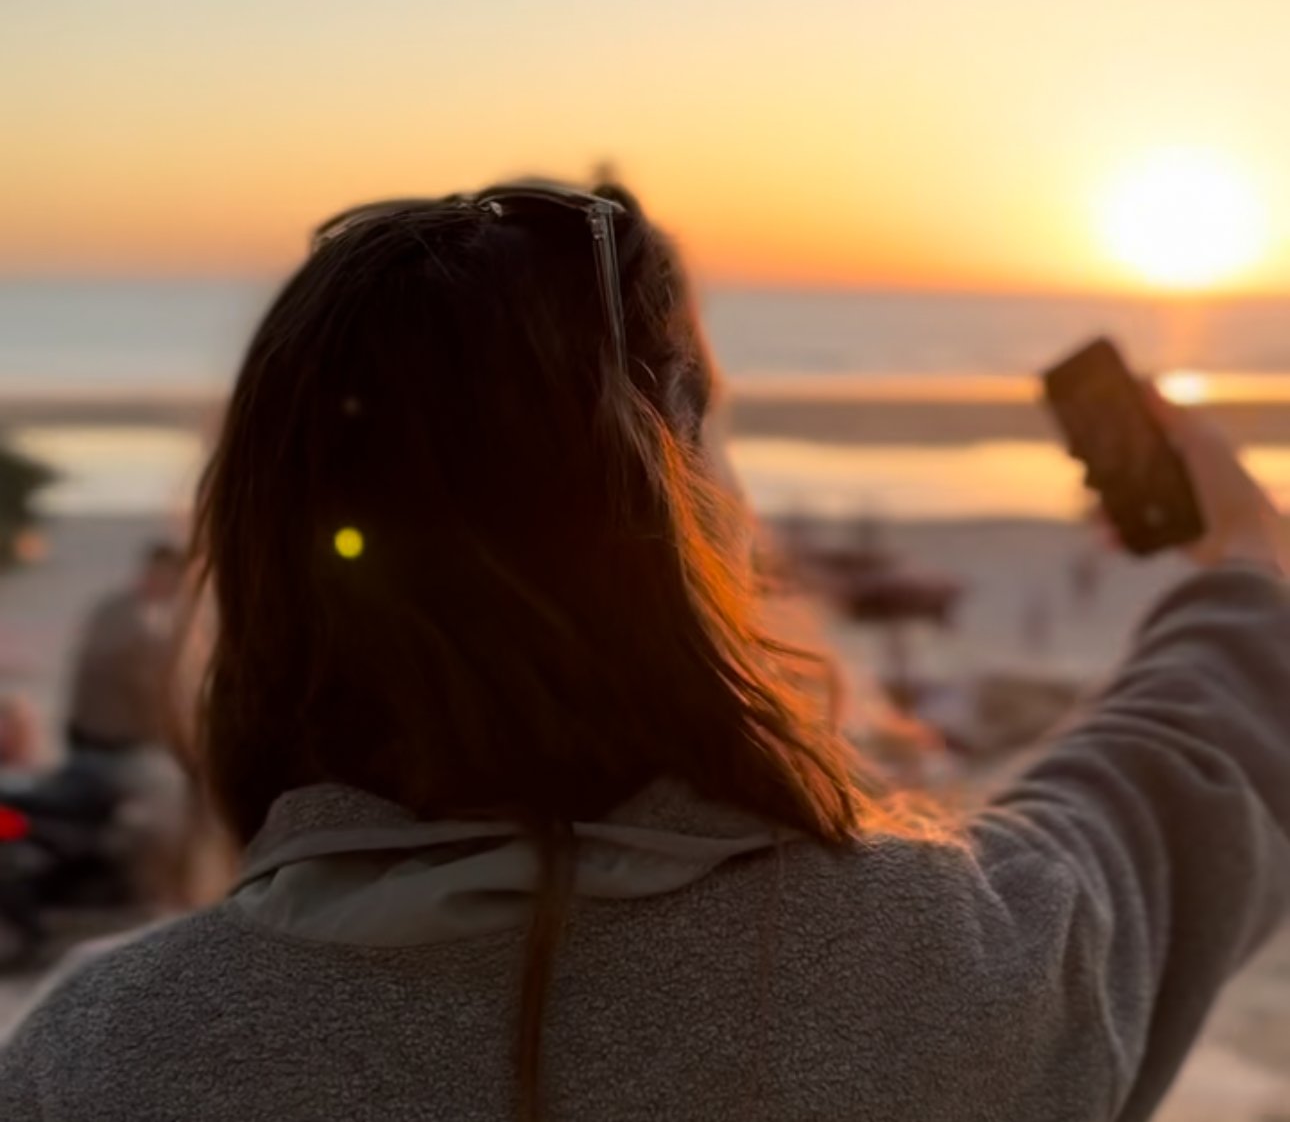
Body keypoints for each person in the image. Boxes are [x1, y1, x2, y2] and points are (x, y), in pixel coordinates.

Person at [2, 181, 1288, 1122]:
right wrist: (1238, 562)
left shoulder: (96, 1059)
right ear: (668, 512)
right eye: (706, 435)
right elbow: (1187, 780)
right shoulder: (946, 974)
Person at [65, 541, 184, 755]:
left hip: (103, 736)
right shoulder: (130, 618)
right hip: (110, 741)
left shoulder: (123, 610)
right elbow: (143, 684)